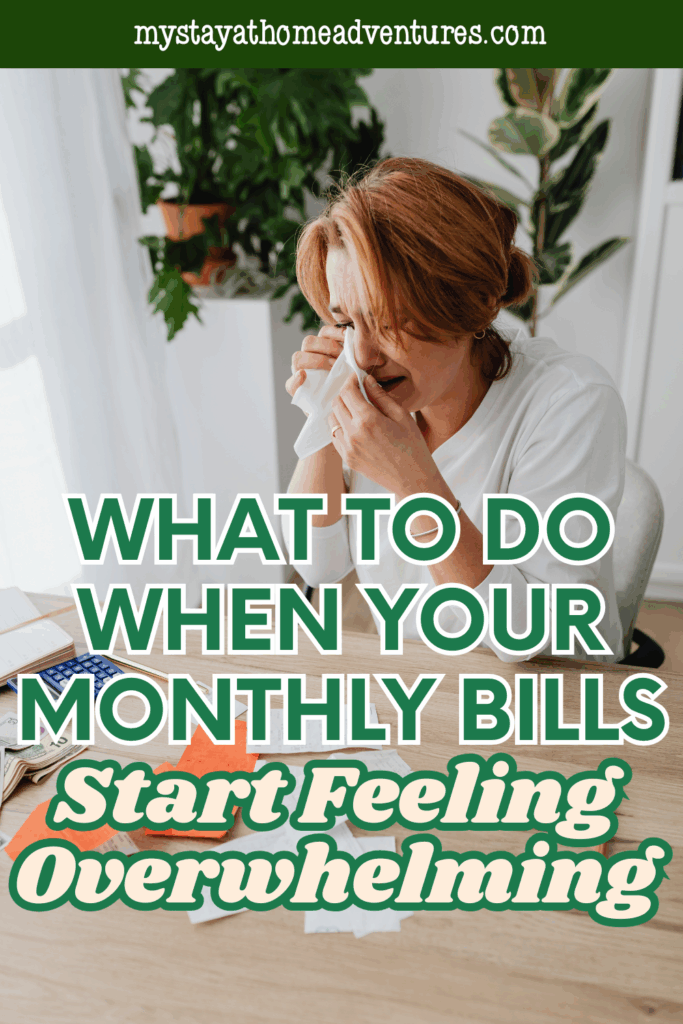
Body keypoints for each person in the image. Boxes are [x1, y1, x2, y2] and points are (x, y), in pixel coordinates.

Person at [286, 157, 626, 662]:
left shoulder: (571, 401)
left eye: (388, 320)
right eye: (348, 323)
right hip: (422, 684)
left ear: (472, 307)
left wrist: (411, 480)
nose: (364, 355)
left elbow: (528, 634)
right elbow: (318, 566)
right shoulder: (371, 389)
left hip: (553, 693)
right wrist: (324, 410)